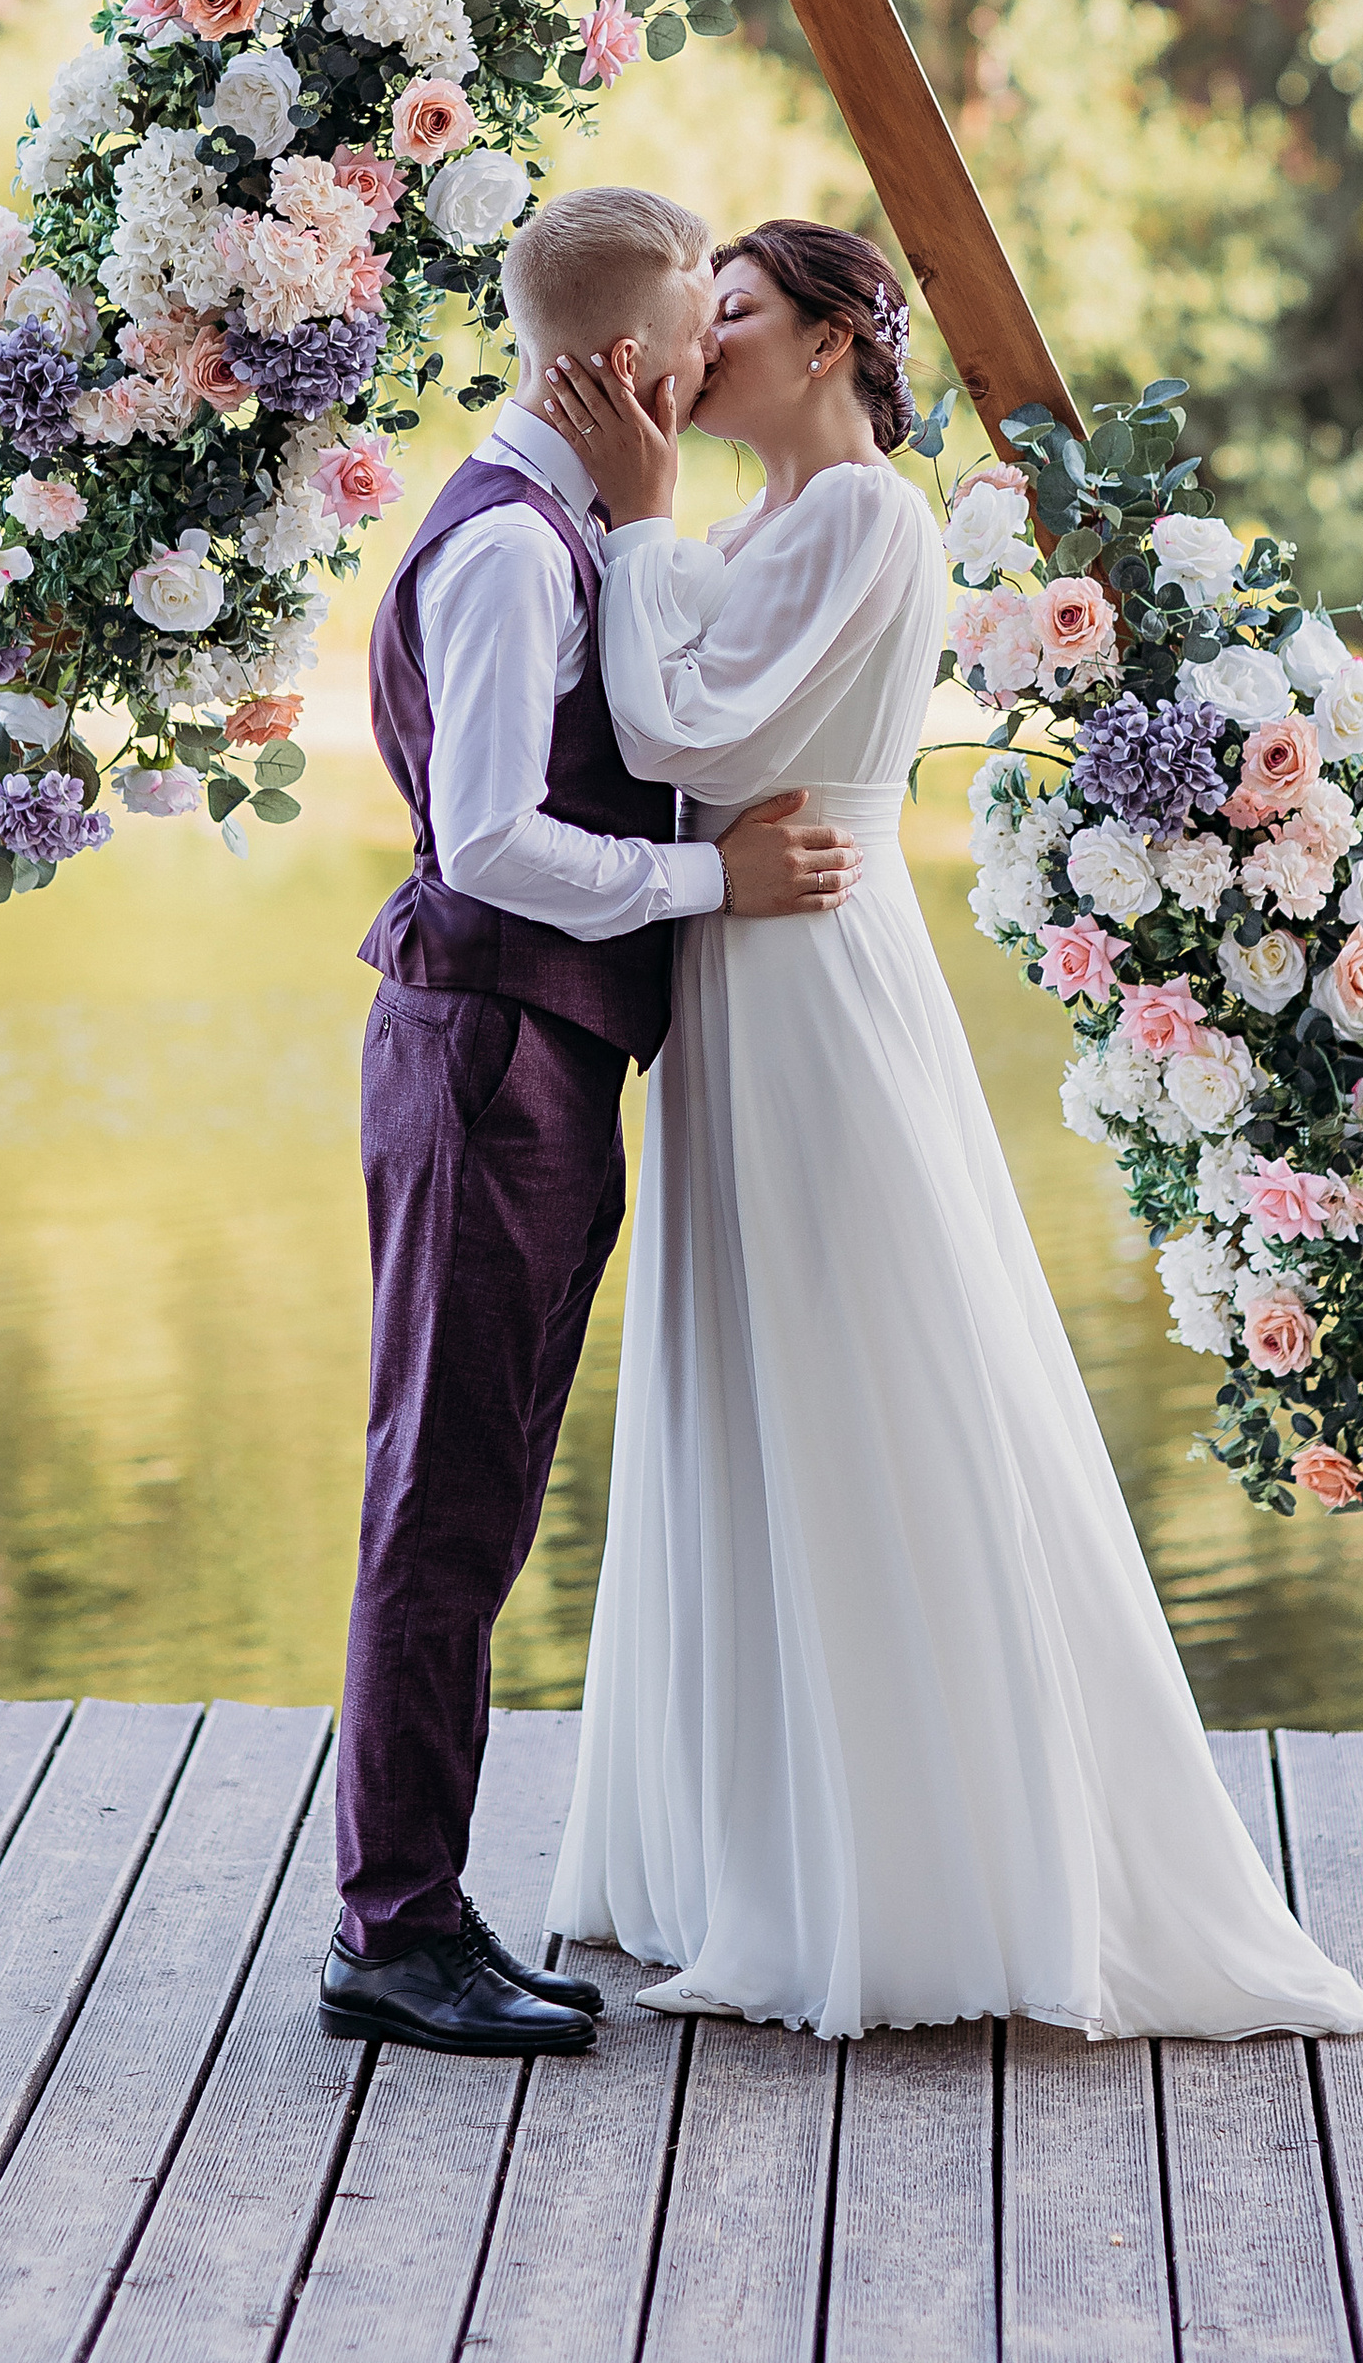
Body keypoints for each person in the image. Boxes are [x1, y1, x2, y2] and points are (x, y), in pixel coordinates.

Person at [534, 219, 1363, 2043]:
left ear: (842, 336)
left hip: (812, 984)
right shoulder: (761, 522)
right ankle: (754, 1844)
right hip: (729, 973)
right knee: (746, 1388)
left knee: (864, 1378)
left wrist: (627, 520)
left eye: (739, 315)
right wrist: (654, 520)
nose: (701, 347)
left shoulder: (867, 513)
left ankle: (918, 1879)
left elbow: (680, 733)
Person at [319, 185, 865, 2061]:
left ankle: (419, 1910)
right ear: (629, 364)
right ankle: (394, 1933)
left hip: (529, 1057)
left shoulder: (568, 528)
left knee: (476, 1483)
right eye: (699, 342)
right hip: (489, 1058)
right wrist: (715, 897)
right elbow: (485, 841)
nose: (719, 363)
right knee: (442, 1494)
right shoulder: (510, 557)